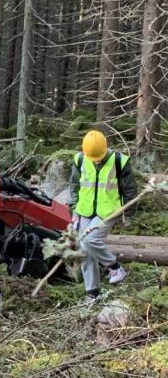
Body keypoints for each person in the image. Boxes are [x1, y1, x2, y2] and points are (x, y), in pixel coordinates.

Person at [68, 130, 135, 305]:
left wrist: (128, 215)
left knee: (90, 240)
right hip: (84, 210)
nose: (96, 160)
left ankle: (115, 267)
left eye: (99, 157)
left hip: (108, 211)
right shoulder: (79, 159)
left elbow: (130, 190)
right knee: (84, 249)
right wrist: (74, 211)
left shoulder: (119, 161)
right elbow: (74, 186)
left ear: (106, 148)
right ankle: (93, 293)